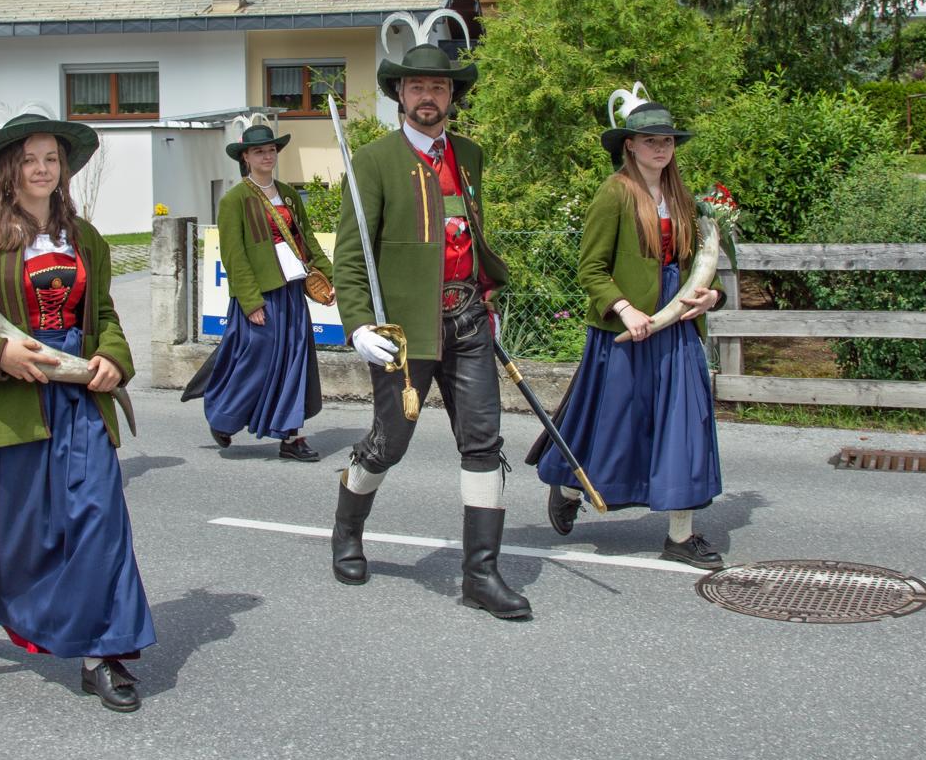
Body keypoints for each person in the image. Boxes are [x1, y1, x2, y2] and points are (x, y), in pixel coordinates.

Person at [0, 112, 153, 712]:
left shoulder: (87, 239)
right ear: (9, 169)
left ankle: (102, 651)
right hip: (6, 400)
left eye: (52, 158)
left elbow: (102, 316)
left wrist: (112, 360)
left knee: (99, 517)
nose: (43, 169)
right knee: (3, 526)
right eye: (31, 159)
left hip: (78, 397)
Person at [331, 42, 527, 618]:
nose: (427, 97)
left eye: (438, 88)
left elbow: (468, 234)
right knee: (389, 443)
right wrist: (357, 324)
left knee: (484, 442)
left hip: (467, 322)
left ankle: (481, 575)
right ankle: (347, 532)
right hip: (403, 332)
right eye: (416, 87)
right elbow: (350, 255)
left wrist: (486, 295)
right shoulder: (372, 162)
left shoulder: (470, 155)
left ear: (452, 98)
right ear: (400, 95)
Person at [530, 98, 726, 569]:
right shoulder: (614, 193)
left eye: (668, 141)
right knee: (613, 429)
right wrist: (624, 309)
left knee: (685, 426)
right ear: (631, 146)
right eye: (651, 140)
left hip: (676, 327)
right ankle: (567, 484)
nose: (662, 148)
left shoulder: (681, 196)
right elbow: (591, 268)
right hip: (625, 331)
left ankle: (681, 535)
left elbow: (695, 265)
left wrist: (710, 296)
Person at [183, 120, 331, 461]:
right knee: (256, 361)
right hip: (260, 295)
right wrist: (250, 301)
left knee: (296, 362)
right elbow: (233, 255)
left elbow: (306, 240)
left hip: (292, 293)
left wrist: (328, 275)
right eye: (259, 151)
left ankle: (292, 438)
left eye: (271, 150)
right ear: (246, 157)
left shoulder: (290, 195)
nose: (267, 156)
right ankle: (223, 416)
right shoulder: (234, 200)